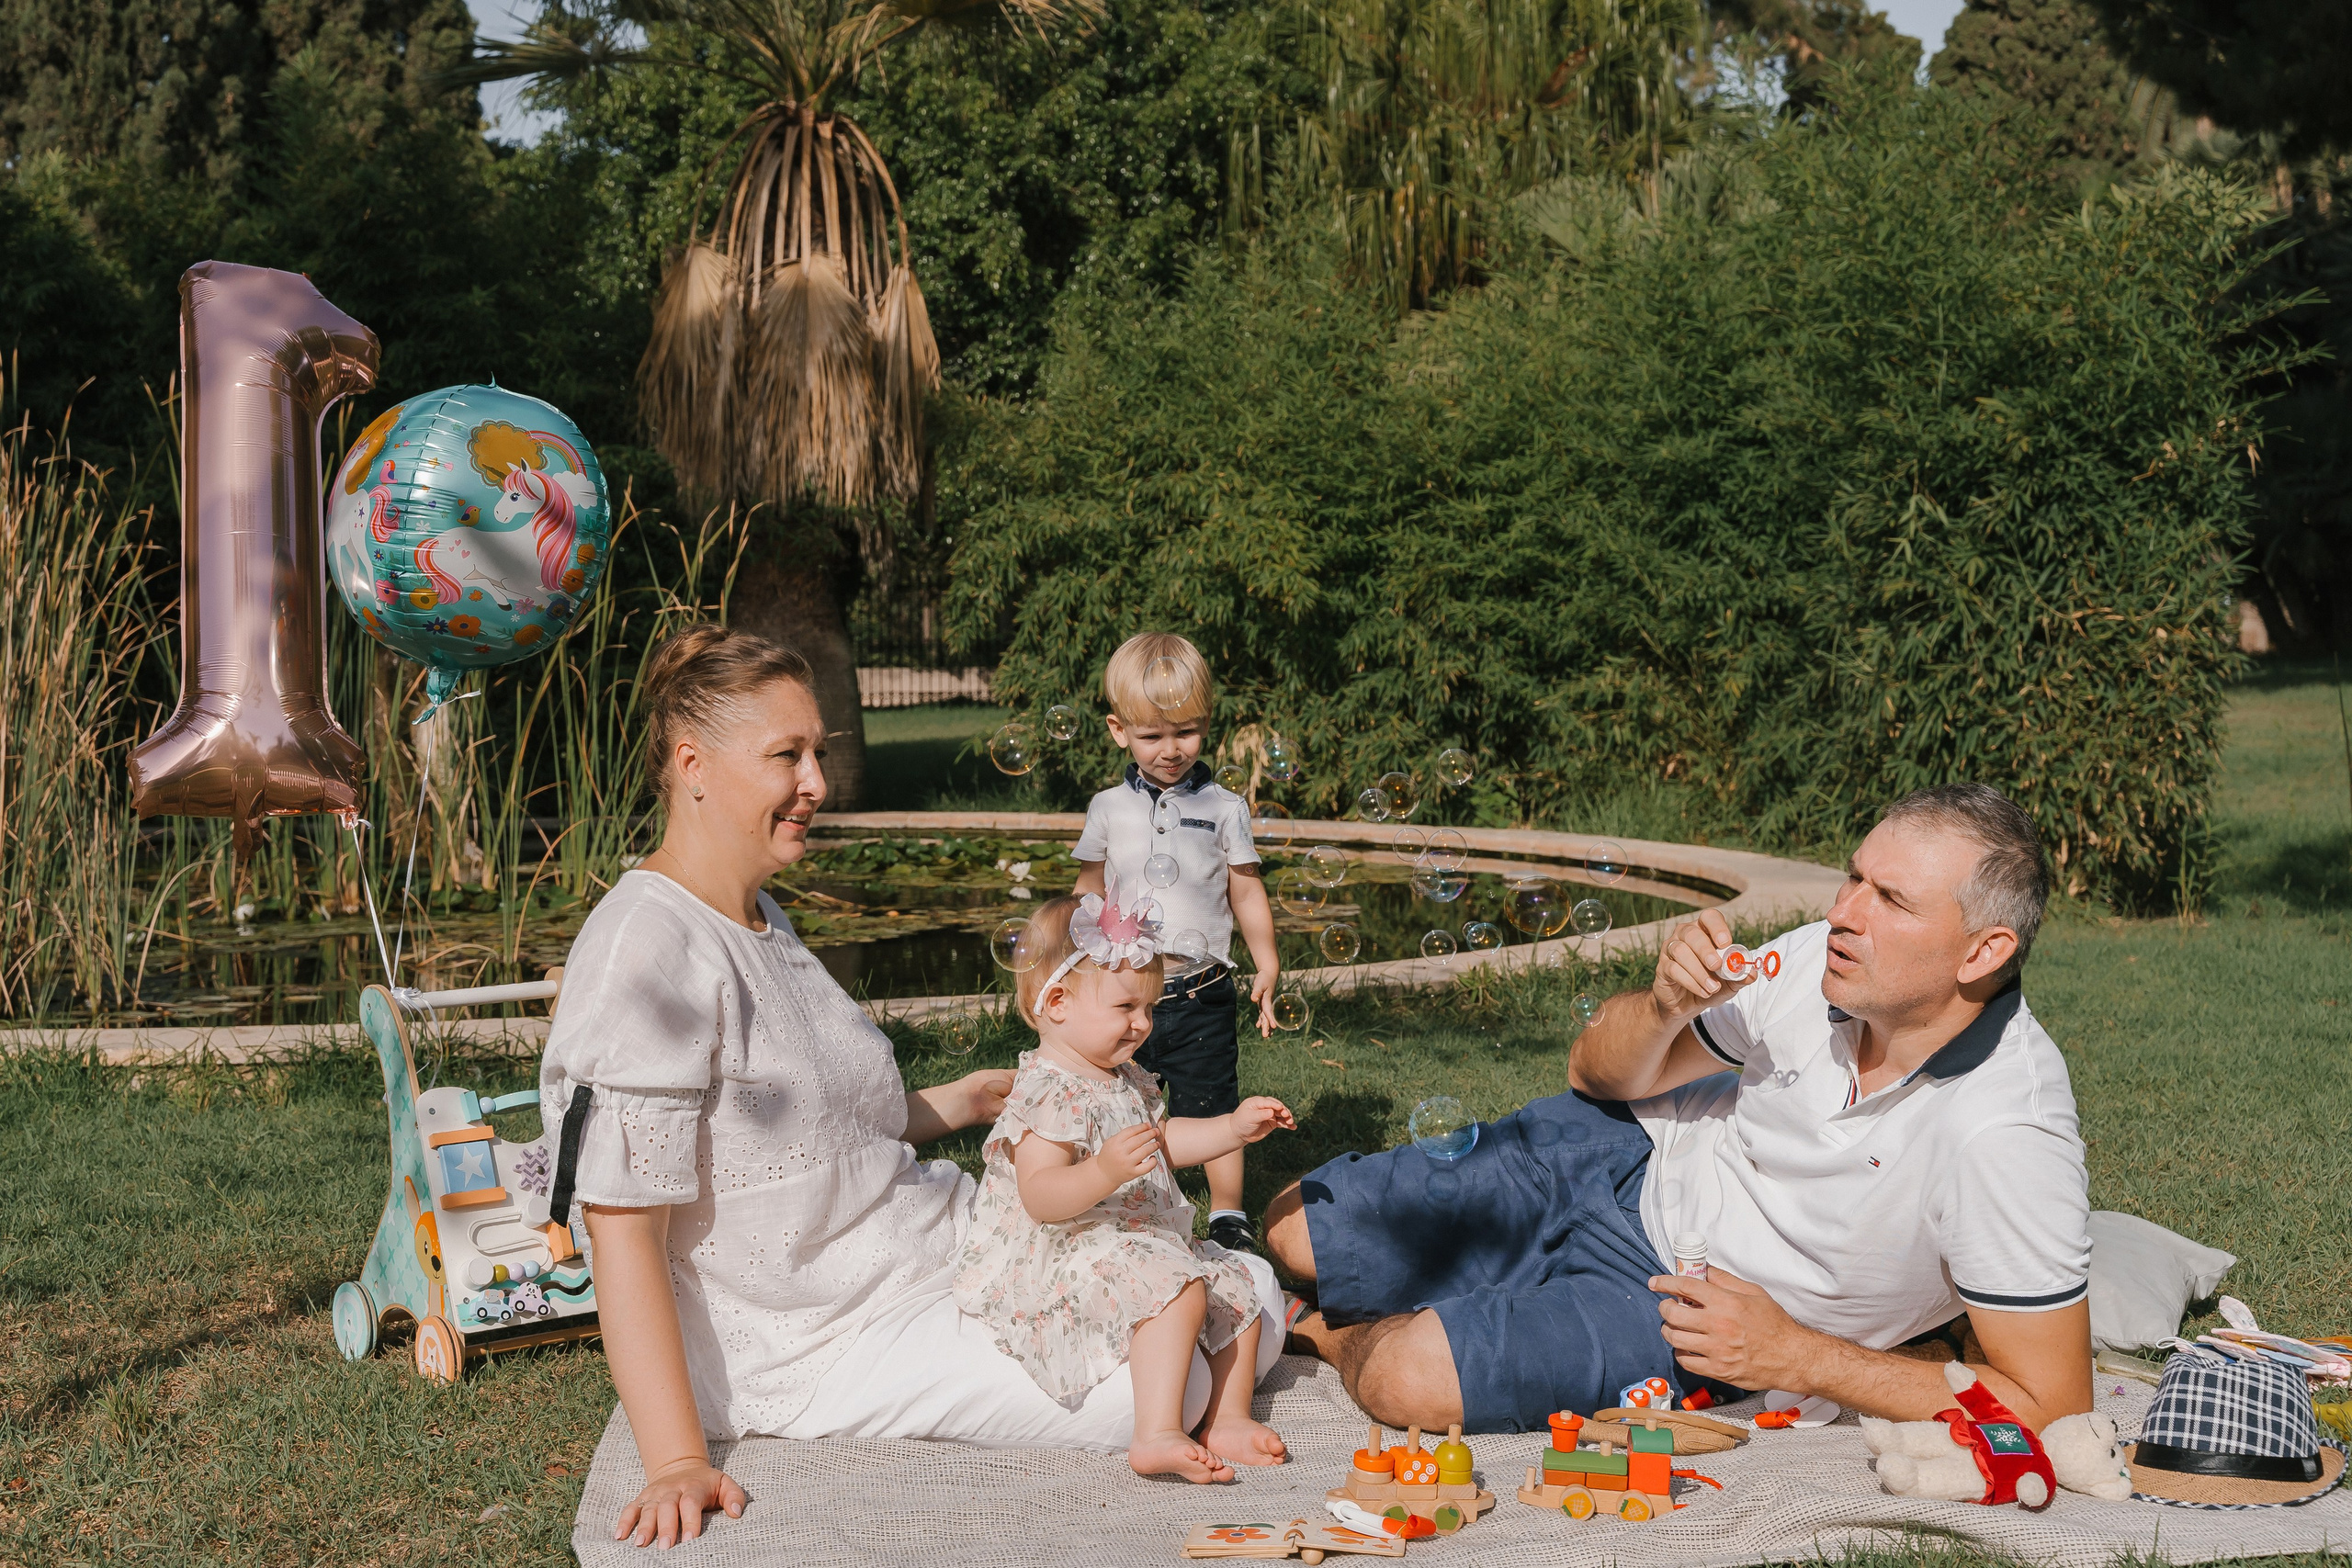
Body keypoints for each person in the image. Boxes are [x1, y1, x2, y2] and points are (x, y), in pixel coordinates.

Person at [536, 625, 1286, 1551]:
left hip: (936, 1249)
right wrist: (676, 1460)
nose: (816, 781)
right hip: (821, 1338)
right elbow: (621, 1227)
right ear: (692, 763)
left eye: (817, 752)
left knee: (1224, 1292)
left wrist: (960, 1102)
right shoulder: (644, 949)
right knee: (1184, 1374)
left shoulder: (757, 912)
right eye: (787, 756)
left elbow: (808, 1127)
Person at [1267, 784, 2093, 1439]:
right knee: (1291, 1228)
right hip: (1622, 1146)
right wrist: (1665, 1005)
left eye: (1893, 900)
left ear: (1984, 952)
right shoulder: (1817, 958)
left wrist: (1796, 1355)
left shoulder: (2006, 1131)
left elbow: (2052, 1404)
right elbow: (1591, 1071)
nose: (1844, 912)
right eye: (1854, 877)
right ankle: (1446, 1297)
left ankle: (1330, 1331)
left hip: (1693, 1308)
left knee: (1399, 1378)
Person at [955, 892, 1295, 1482]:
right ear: (1057, 1003)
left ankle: (1228, 1416)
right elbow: (1041, 1197)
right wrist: (1103, 1171)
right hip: (1065, 1243)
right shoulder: (1046, 1091)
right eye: (1126, 1008)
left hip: (1127, 1233)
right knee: (1181, 1292)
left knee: (1236, 1287)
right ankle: (1156, 1431)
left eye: (1150, 1008)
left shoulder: (1126, 1078)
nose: (1144, 1024)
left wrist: (1231, 1128)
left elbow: (1161, 1143)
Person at [1072, 633, 1282, 1254]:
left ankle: (1227, 1213)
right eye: (1152, 735)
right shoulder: (1108, 807)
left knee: (1214, 1095)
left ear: (1205, 726)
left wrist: (1266, 960)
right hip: (1125, 987)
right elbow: (1088, 889)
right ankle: (1122, 1189)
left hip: (1202, 989)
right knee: (1117, 1095)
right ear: (1118, 730)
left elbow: (1245, 890)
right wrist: (1079, 957)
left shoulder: (1224, 807)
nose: (1171, 749)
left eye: (1185, 732)